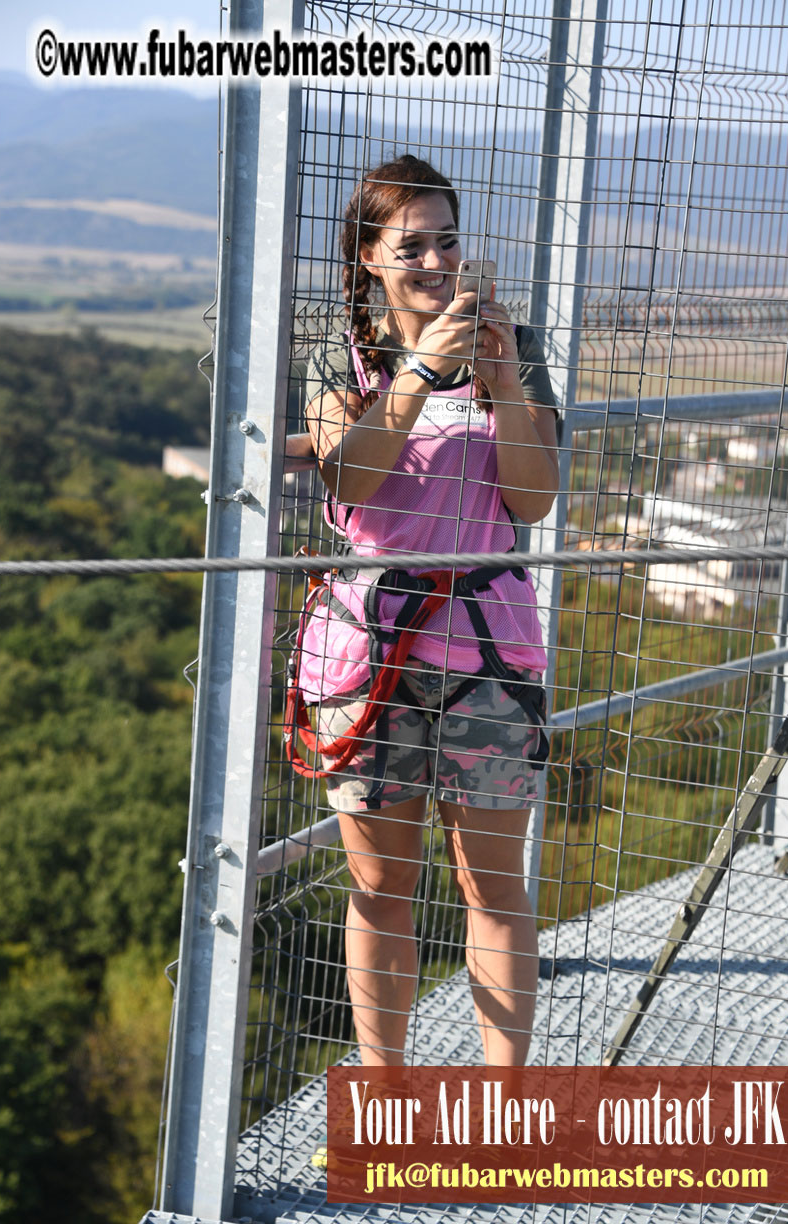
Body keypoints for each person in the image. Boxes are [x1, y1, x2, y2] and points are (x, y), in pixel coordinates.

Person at [296, 153, 559, 1067]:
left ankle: (503, 1099)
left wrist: (508, 385)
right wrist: (416, 373)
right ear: (368, 257)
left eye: (448, 241)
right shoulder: (345, 360)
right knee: (380, 886)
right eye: (412, 245)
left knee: (494, 886)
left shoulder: (515, 347)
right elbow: (353, 480)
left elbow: (532, 501)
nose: (436, 262)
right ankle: (385, 1091)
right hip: (373, 655)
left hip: (489, 649)